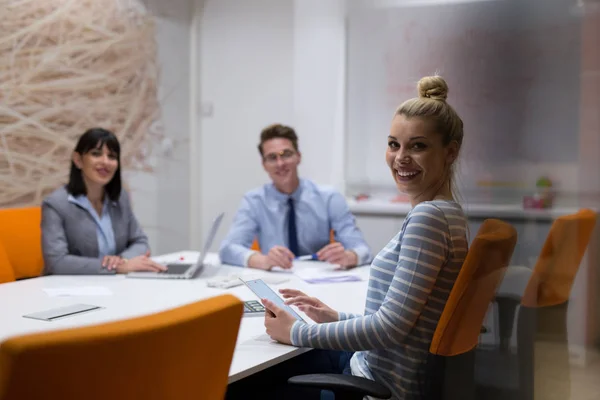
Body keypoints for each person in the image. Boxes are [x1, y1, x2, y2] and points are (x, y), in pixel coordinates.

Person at [227, 75, 469, 400]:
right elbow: (402, 321)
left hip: (378, 383)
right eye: (393, 144)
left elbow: (390, 328)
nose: (400, 158)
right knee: (275, 361)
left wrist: (297, 331)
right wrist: (334, 317)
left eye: (418, 145)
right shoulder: (449, 213)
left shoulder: (428, 218)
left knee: (241, 383)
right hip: (378, 364)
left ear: (450, 152)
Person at [219, 123, 372, 270]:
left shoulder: (329, 197)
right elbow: (228, 249)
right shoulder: (254, 201)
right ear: (264, 164)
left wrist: (349, 256)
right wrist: (263, 260)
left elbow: (363, 249)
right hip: (276, 279)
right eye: (272, 157)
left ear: (298, 157)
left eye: (286, 154)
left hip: (321, 281)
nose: (280, 163)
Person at [41, 128, 166, 275]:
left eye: (112, 156)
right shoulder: (56, 204)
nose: (105, 162)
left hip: (115, 286)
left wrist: (122, 261)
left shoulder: (120, 198)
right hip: (71, 290)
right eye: (96, 154)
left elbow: (140, 242)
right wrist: (113, 267)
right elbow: (57, 262)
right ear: (78, 160)